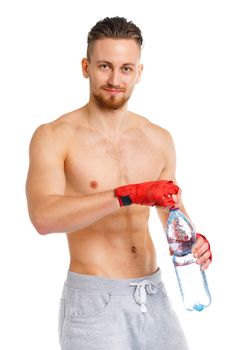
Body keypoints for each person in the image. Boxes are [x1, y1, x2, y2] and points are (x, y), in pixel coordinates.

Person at [25, 16, 212, 350]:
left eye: (126, 68)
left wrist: (194, 242)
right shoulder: (55, 136)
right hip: (96, 304)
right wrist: (125, 195)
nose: (115, 79)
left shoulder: (158, 139)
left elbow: (171, 210)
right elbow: (43, 216)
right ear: (86, 67)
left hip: (154, 295)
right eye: (105, 66)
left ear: (139, 73)